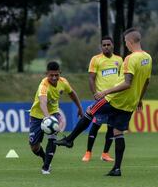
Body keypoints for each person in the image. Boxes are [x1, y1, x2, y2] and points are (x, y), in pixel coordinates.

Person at [55, 28, 152, 176]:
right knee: (118, 133)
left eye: (126, 42)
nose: (125, 44)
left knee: (89, 111)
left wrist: (105, 92)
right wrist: (139, 99)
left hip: (115, 99)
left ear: (130, 42)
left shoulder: (129, 59)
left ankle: (69, 140)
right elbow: (146, 82)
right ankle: (117, 169)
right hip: (130, 103)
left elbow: (127, 83)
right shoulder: (148, 58)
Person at [29, 61, 83, 174]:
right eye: (51, 75)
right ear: (46, 74)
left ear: (60, 73)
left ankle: (46, 167)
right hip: (37, 115)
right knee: (34, 147)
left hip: (53, 113)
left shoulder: (63, 82)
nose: (54, 77)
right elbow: (43, 103)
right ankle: (44, 158)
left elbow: (72, 93)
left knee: (52, 139)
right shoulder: (43, 86)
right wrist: (47, 118)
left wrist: (79, 107)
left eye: (56, 75)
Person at [81, 36, 123, 162]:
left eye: (108, 45)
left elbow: (122, 78)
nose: (106, 47)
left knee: (111, 126)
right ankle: (88, 152)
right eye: (104, 45)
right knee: (96, 124)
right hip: (102, 99)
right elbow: (91, 78)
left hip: (115, 99)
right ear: (101, 46)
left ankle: (105, 153)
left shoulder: (119, 60)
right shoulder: (96, 59)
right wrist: (95, 93)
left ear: (112, 45)